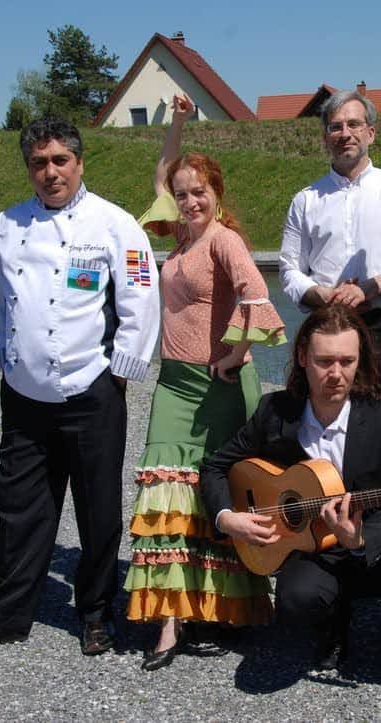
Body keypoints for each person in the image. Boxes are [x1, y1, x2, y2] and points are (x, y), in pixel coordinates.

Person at [0, 118, 160, 657]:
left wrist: (122, 368)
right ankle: (6, 615)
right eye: (39, 162)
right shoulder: (9, 223)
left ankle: (96, 613)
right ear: (28, 168)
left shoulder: (115, 224)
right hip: (24, 393)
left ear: (79, 163)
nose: (50, 171)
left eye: (60, 160)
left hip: (91, 389)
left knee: (97, 510)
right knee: (18, 508)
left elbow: (140, 294)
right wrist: (0, 353)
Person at [199, 305, 381, 699]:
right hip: (313, 548)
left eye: (347, 361)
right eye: (324, 361)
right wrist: (227, 519)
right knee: (295, 598)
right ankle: (332, 625)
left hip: (374, 542)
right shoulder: (275, 413)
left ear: (360, 361)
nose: (336, 373)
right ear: (302, 358)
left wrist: (359, 538)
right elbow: (216, 467)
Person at [124, 94, 287, 672]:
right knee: (167, 492)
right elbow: (162, 176)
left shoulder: (222, 238)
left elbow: (256, 294)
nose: (190, 200)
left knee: (219, 489)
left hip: (220, 387)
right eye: (184, 192)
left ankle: (222, 606)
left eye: (200, 192)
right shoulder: (179, 238)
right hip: (173, 383)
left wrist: (239, 351)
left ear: (218, 195)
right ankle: (169, 617)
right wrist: (176, 123)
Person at [278, 88, 381, 404]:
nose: (345, 134)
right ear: (325, 137)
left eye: (354, 124)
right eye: (336, 126)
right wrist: (322, 295)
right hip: (327, 329)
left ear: (371, 133)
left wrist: (373, 287)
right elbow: (289, 269)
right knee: (325, 422)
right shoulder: (306, 201)